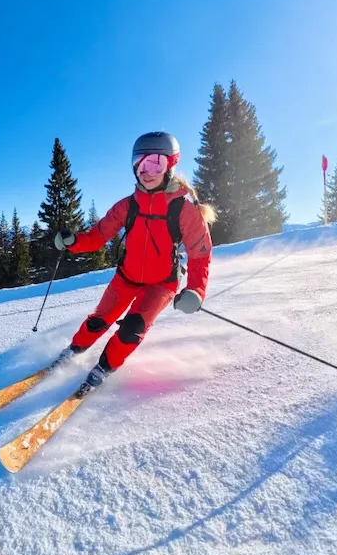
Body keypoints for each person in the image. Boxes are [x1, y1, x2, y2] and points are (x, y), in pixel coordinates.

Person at [52, 131, 217, 388]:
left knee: (131, 329)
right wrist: (73, 242)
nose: (146, 170)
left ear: (170, 165)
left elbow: (200, 254)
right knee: (99, 320)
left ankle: (104, 367)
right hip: (126, 278)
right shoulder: (128, 206)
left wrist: (196, 289)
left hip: (161, 284)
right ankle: (75, 349)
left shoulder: (183, 209)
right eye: (140, 162)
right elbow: (97, 236)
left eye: (156, 163)